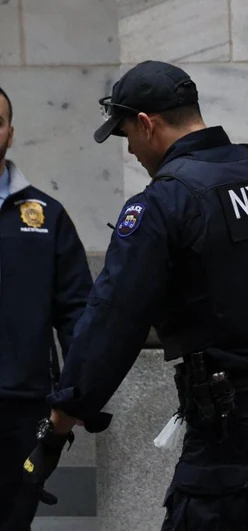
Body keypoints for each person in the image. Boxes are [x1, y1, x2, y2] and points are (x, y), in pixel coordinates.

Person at [16, 61, 248, 531]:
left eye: (127, 137)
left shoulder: (164, 202)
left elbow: (114, 320)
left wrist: (61, 421)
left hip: (235, 422)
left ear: (147, 124)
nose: (134, 154)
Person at [0, 86, 92, 529]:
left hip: (22, 410)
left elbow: (77, 313)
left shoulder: (46, 215)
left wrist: (75, 399)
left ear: (10, 132)